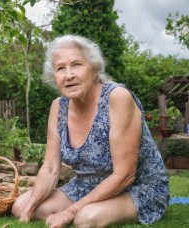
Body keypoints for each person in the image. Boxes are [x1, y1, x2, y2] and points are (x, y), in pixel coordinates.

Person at [11, 35, 169, 228]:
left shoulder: (117, 98)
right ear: (55, 77)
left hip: (136, 187)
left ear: (94, 69)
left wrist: (69, 211)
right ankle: (74, 210)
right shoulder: (57, 107)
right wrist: (28, 211)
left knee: (86, 218)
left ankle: (83, 211)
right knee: (20, 206)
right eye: (61, 68)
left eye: (76, 65)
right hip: (86, 186)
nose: (68, 75)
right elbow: (51, 168)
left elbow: (125, 174)